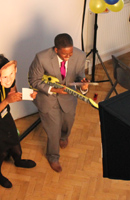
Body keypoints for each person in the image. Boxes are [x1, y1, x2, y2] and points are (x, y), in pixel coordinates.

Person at [28, 33, 88, 172]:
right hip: (48, 99)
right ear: (56, 50)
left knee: (68, 122)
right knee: (53, 132)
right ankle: (53, 156)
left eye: (71, 53)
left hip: (68, 97)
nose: (69, 57)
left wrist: (83, 87)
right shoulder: (41, 58)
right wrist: (53, 89)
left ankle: (64, 136)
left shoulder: (80, 55)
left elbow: (79, 77)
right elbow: (34, 80)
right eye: (65, 55)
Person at [0, 54, 37, 188]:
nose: (9, 78)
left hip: (5, 118)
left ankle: (18, 161)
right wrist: (6, 101)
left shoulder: (9, 77)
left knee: (16, 144)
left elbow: (12, 94)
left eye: (11, 74)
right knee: (1, 152)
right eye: (5, 75)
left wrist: (28, 95)